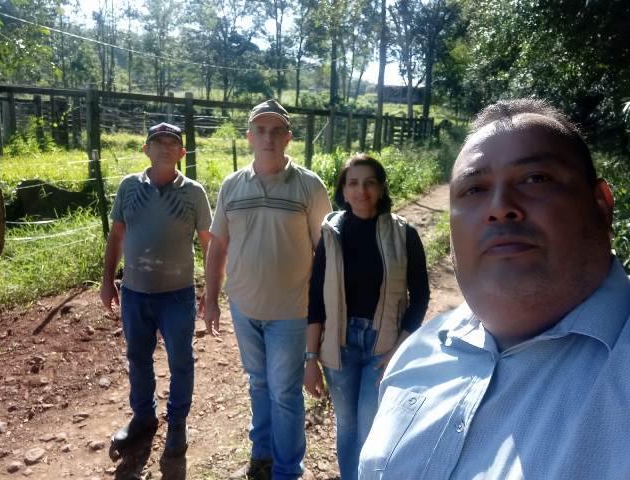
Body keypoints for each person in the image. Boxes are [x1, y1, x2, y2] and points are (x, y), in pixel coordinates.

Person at [358, 98, 629, 479]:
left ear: (601, 205)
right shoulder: (416, 355)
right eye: (474, 189)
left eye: (536, 178)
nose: (500, 207)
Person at [205, 99, 332, 479]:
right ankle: (261, 453)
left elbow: (326, 254)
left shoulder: (309, 186)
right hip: (243, 307)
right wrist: (211, 299)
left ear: (288, 137)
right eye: (261, 130)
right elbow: (218, 245)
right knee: (258, 383)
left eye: (276, 131)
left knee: (285, 393)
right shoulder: (232, 185)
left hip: (291, 312)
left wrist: (325, 314)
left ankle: (287, 469)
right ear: (249, 137)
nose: (268, 138)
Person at [304, 154, 430, 480]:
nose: (362, 191)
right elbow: (316, 299)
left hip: (382, 347)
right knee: (347, 427)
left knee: (371, 428)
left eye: (370, 182)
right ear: (343, 191)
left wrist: (398, 350)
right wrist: (310, 358)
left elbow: (420, 297)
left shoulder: (404, 234)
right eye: (353, 183)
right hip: (339, 346)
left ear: (381, 188)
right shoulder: (331, 235)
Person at [100, 122, 212, 458]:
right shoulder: (129, 187)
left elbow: (208, 243)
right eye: (157, 142)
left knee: (180, 360)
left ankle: (177, 421)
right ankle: (143, 417)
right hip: (135, 292)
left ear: (182, 153)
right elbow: (116, 235)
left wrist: (211, 289)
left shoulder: (194, 193)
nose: (164, 147)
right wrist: (107, 280)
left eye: (172, 143)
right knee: (137, 357)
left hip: (177, 294)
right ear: (145, 149)